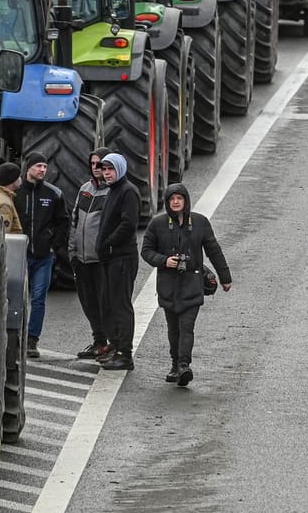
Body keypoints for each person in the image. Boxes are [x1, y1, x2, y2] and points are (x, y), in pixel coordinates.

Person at [141, 184, 233, 387]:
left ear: (186, 201)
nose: (175, 202)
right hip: (168, 288)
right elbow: (146, 251)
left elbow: (213, 250)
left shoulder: (200, 222)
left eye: (179, 198)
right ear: (167, 202)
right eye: (172, 198)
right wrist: (165, 261)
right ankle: (175, 364)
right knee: (173, 329)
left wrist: (225, 277)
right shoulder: (157, 224)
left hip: (192, 285)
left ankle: (184, 365)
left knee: (187, 327)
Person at [13, 153, 69, 359]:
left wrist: (54, 245)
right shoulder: (15, 193)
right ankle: (13, 338)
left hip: (44, 257)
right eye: (38, 166)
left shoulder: (53, 194)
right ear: (28, 168)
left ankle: (32, 340)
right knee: (16, 299)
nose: (43, 170)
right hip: (19, 256)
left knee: (38, 299)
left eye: (45, 167)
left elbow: (63, 221)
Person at [95, 153, 141, 371]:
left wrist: (110, 244)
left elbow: (128, 224)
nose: (107, 173)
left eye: (110, 169)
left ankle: (125, 354)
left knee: (121, 305)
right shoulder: (113, 191)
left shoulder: (128, 191)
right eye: (104, 170)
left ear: (120, 169)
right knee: (109, 303)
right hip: (111, 257)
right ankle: (115, 345)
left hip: (122, 257)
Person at [69, 146, 113, 361]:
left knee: (106, 303)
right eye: (93, 164)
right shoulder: (85, 189)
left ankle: (111, 342)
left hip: (101, 260)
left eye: (101, 164)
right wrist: (72, 251)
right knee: (88, 302)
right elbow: (75, 220)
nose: (96, 168)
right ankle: (98, 341)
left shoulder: (112, 192)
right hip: (82, 258)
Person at [0, 162, 24, 235]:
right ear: (12, 180)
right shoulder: (4, 205)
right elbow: (3, 236)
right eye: (18, 177)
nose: (20, 179)